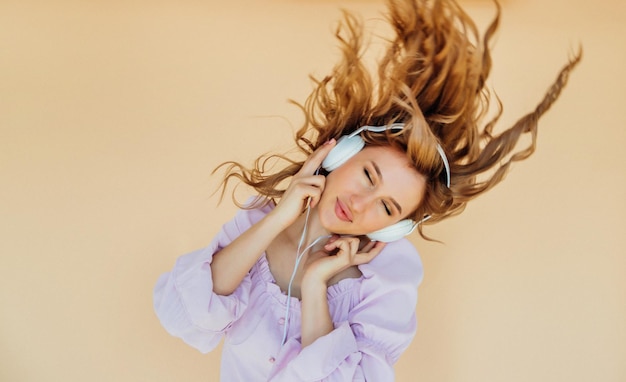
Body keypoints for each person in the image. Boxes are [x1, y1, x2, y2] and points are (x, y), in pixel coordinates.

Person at [153, 0, 581, 380]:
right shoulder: (259, 220)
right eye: (369, 176)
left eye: (387, 207)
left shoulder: (387, 281)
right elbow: (185, 315)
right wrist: (280, 218)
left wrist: (318, 284)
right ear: (341, 155)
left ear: (395, 228)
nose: (359, 205)